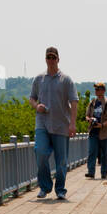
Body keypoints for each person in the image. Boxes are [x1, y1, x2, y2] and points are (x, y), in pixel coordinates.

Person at [29, 47, 78, 200]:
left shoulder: (66, 79)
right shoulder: (39, 79)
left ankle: (60, 190)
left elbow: (74, 101)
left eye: (53, 57)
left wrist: (73, 124)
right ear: (45, 59)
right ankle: (44, 186)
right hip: (42, 123)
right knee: (40, 152)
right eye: (48, 57)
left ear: (58, 59)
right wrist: (37, 106)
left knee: (61, 160)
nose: (51, 60)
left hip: (61, 124)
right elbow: (32, 98)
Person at [84, 82, 107, 180]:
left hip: (105, 133)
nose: (96, 91)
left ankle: (104, 173)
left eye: (98, 89)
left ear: (103, 90)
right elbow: (87, 115)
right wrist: (89, 119)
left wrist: (102, 125)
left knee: (105, 154)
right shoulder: (92, 102)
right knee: (92, 152)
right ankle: (91, 172)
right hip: (93, 131)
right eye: (96, 89)